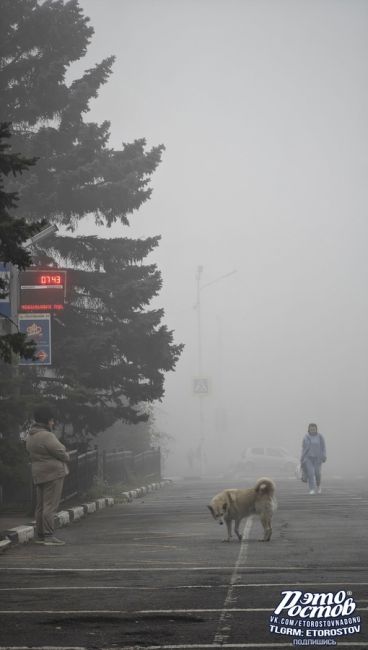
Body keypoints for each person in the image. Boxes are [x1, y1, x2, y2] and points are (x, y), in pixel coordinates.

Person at [26, 406, 70, 545]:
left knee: (40, 506)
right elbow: (61, 452)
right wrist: (66, 454)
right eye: (51, 420)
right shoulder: (47, 435)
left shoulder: (31, 435)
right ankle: (49, 536)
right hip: (53, 474)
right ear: (47, 421)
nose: (53, 423)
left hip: (39, 473)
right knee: (50, 505)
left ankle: (40, 535)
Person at [300, 423, 327, 495]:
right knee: (311, 474)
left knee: (317, 473)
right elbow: (303, 448)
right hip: (308, 458)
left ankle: (318, 486)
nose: (312, 430)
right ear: (308, 429)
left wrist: (324, 456)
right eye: (311, 429)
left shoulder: (320, 437)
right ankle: (312, 489)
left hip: (318, 458)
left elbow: (323, 447)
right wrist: (302, 458)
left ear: (316, 429)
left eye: (314, 429)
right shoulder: (306, 437)